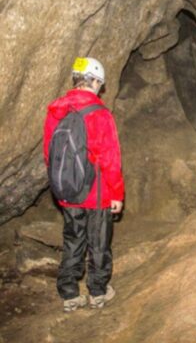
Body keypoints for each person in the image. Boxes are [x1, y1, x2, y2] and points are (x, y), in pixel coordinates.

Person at [43, 57, 124, 312]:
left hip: (67, 192)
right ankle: (97, 292)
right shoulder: (100, 114)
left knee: (72, 241)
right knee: (98, 243)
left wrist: (65, 183)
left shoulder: (56, 111)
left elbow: (49, 154)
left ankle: (69, 294)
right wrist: (117, 194)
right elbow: (110, 158)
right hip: (96, 194)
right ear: (96, 81)